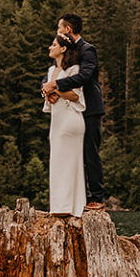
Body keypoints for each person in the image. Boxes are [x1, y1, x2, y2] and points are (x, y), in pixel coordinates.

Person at [41, 13, 105, 211]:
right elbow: (53, 72)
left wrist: (56, 86)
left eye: (59, 28)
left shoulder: (87, 50)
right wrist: (47, 89)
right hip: (66, 110)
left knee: (90, 152)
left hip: (90, 108)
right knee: (72, 155)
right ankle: (77, 200)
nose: (57, 32)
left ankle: (97, 197)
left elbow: (85, 76)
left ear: (67, 29)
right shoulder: (65, 52)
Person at [42, 34, 87, 217]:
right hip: (57, 119)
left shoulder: (74, 69)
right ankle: (61, 206)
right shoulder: (51, 70)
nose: (49, 47)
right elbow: (50, 91)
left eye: (53, 44)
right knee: (58, 161)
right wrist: (49, 94)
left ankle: (67, 207)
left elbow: (75, 95)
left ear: (63, 49)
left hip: (70, 117)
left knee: (68, 162)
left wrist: (56, 91)